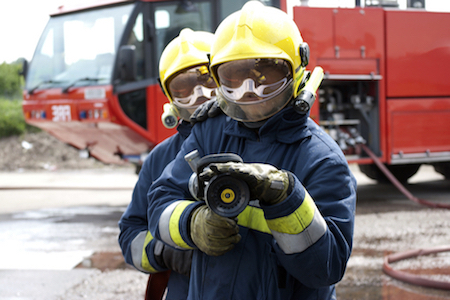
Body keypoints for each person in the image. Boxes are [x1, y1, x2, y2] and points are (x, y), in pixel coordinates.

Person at [146, 2, 357, 299]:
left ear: (296, 71)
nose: (248, 91)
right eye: (233, 79)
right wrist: (192, 224)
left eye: (265, 77)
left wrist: (286, 198)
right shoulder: (208, 132)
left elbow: (326, 268)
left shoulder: (322, 159)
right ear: (217, 79)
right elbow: (159, 202)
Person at [118, 28, 218, 299]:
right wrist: (162, 251)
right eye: (184, 90)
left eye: (209, 82)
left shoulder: (256, 139)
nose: (200, 96)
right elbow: (130, 233)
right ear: (170, 100)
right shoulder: (160, 158)